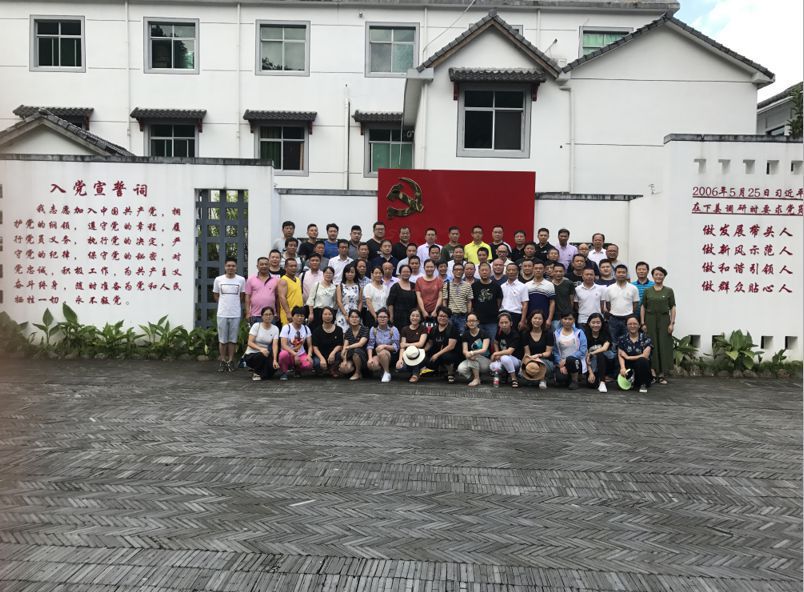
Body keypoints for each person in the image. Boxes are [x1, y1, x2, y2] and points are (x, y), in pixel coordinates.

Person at [641, 266, 676, 385]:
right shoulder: (647, 291)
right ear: (652, 276)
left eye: (661, 274)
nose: (658, 276)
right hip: (650, 319)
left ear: (664, 276)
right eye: (656, 274)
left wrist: (672, 323)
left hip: (664, 320)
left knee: (663, 345)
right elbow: (643, 306)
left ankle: (661, 374)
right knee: (651, 345)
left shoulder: (669, 291)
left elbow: (673, 307)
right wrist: (642, 322)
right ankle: (652, 373)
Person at [213, 257, 245, 372]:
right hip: (222, 313)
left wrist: (233, 304)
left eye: (233, 266)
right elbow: (216, 295)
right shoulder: (218, 279)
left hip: (235, 313)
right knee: (222, 339)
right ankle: (222, 361)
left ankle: (231, 360)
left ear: (236, 267)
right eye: (228, 266)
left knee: (233, 339)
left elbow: (242, 295)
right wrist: (224, 304)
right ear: (225, 267)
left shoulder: (241, 280)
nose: (231, 268)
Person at [604, 264, 640, 348]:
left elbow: (635, 303)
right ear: (615, 274)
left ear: (626, 274)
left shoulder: (633, 288)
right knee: (614, 341)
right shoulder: (609, 288)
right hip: (613, 319)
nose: (621, 274)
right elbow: (608, 304)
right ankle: (615, 355)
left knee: (628, 341)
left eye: (623, 272)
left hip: (628, 319)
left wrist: (629, 314)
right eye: (619, 272)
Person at [423, 306, 462, 382]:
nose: (442, 318)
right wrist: (422, 351)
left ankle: (451, 372)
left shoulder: (452, 329)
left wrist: (437, 355)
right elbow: (430, 343)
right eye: (440, 316)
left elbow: (451, 346)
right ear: (437, 316)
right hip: (438, 353)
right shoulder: (434, 329)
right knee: (427, 360)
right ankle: (440, 369)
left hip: (452, 354)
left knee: (446, 356)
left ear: (448, 318)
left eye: (445, 316)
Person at [618, 316, 653, 393]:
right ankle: (631, 380)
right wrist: (622, 368)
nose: (632, 326)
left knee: (642, 360)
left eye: (635, 324)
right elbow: (620, 354)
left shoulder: (646, 338)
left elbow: (645, 355)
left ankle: (643, 384)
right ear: (626, 326)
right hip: (628, 367)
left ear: (639, 325)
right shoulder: (622, 339)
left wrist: (628, 357)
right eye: (630, 324)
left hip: (642, 367)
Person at [521, 309, 554, 390]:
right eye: (535, 318)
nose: (537, 321)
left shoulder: (548, 333)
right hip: (531, 359)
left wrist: (538, 355)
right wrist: (527, 361)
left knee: (540, 364)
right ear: (531, 319)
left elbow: (548, 352)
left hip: (545, 360)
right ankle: (534, 378)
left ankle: (542, 380)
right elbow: (527, 353)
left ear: (543, 321)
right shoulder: (525, 333)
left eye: (540, 319)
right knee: (523, 373)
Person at [553, 312, 588, 390]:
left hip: (576, 362)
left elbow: (582, 350)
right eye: (565, 319)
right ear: (561, 320)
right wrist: (560, 364)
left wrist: (567, 360)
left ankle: (575, 380)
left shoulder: (579, 332)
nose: (567, 321)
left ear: (574, 320)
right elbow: (555, 351)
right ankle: (569, 378)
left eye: (570, 319)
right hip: (562, 363)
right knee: (560, 379)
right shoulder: (556, 333)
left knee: (571, 359)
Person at [244, 306, 280, 380]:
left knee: (273, 368)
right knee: (261, 355)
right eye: (266, 314)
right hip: (252, 354)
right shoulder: (256, 326)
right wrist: (260, 349)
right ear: (262, 316)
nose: (268, 316)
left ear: (273, 316)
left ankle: (262, 372)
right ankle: (256, 372)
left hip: (265, 354)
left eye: (270, 314)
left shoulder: (275, 328)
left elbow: (275, 345)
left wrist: (275, 360)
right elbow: (249, 342)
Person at [278, 306, 313, 379]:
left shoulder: (306, 328)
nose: (300, 318)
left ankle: (298, 369)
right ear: (292, 316)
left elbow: (310, 345)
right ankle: (284, 372)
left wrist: (309, 355)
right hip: (288, 353)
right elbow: (283, 345)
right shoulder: (286, 327)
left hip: (301, 353)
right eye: (297, 315)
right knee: (283, 355)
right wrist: (294, 354)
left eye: (302, 316)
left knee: (309, 364)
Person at [457, 312, 491, 387]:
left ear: (477, 322)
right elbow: (464, 350)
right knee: (461, 369)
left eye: (473, 321)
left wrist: (472, 353)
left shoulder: (484, 333)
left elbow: (484, 349)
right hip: (471, 358)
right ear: (466, 323)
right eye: (469, 321)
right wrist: (467, 354)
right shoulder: (465, 334)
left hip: (484, 360)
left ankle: (476, 379)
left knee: (473, 357)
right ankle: (476, 377)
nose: (471, 323)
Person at [583, 312, 615, 392]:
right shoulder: (585, 335)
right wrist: (590, 373)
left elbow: (604, 348)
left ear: (602, 323)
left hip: (606, 362)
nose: (596, 325)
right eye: (593, 322)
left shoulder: (605, 333)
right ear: (589, 323)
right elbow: (586, 355)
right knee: (592, 384)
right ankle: (598, 377)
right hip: (592, 364)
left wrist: (592, 353)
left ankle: (602, 382)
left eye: (598, 322)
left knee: (600, 354)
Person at [489, 312, 522, 388]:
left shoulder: (515, 334)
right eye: (501, 323)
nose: (504, 325)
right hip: (502, 357)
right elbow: (495, 343)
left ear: (511, 323)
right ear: (498, 324)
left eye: (506, 322)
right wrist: (497, 352)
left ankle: (514, 379)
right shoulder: (499, 332)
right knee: (492, 366)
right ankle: (504, 375)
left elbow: (509, 351)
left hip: (516, 362)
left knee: (505, 358)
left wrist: (496, 354)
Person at [366, 308, 400, 382]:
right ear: (377, 318)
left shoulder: (393, 329)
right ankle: (383, 371)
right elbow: (370, 345)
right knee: (371, 364)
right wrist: (370, 358)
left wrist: (384, 346)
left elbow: (396, 347)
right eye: (380, 317)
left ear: (388, 318)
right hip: (378, 353)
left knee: (382, 352)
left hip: (391, 354)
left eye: (385, 317)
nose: (382, 319)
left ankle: (387, 373)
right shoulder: (373, 329)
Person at [395, 309, 428, 382]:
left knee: (415, 357)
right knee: (400, 367)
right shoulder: (404, 329)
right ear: (409, 317)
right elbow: (402, 346)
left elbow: (420, 344)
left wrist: (407, 344)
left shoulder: (423, 328)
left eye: (417, 316)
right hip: (407, 354)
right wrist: (400, 359)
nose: (414, 318)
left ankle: (415, 374)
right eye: (413, 315)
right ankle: (416, 371)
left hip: (420, 354)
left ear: (420, 318)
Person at [472, 262, 503, 338]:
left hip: (492, 321)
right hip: (477, 321)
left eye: (486, 270)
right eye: (482, 270)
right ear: (479, 272)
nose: (484, 272)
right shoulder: (474, 286)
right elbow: (472, 302)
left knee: (492, 341)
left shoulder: (496, 286)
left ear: (490, 271)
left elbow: (498, 303)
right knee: (478, 342)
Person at [244, 256, 278, 325]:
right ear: (257, 266)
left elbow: (277, 298)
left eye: (266, 264)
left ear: (269, 265)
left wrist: (278, 313)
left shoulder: (276, 280)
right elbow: (247, 297)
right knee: (256, 332)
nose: (264, 266)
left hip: (271, 315)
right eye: (261, 264)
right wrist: (248, 313)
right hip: (255, 315)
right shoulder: (251, 279)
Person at [441, 262, 473, 333]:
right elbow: (444, 301)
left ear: (463, 271)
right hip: (450, 316)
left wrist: (468, 315)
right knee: (449, 335)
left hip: (462, 317)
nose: (458, 271)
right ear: (453, 271)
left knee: (462, 335)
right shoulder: (447, 285)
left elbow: (469, 301)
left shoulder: (467, 285)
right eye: (456, 269)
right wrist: (446, 314)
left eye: (461, 270)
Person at [311, 306, 343, 377]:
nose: (327, 316)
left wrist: (333, 353)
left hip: (334, 356)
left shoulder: (339, 329)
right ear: (321, 316)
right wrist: (321, 358)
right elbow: (315, 347)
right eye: (325, 314)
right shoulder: (317, 330)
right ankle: (322, 370)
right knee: (316, 362)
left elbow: (340, 345)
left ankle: (333, 369)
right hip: (321, 355)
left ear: (333, 315)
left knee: (340, 355)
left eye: (329, 314)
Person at [339, 309, 369, 380]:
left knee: (356, 351)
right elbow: (345, 347)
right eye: (352, 317)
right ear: (349, 319)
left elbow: (361, 344)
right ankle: (354, 370)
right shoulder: (348, 331)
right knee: (344, 368)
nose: (354, 319)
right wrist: (344, 360)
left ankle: (358, 373)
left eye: (356, 317)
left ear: (360, 319)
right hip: (351, 355)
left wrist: (348, 347)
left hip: (363, 355)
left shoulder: (365, 329)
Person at [524, 260, 555, 327]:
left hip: (544, 317)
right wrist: (524, 318)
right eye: (536, 268)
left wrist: (549, 319)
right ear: (533, 269)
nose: (538, 270)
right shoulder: (526, 285)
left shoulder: (550, 285)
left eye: (540, 268)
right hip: (529, 317)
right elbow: (525, 303)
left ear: (544, 270)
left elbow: (552, 303)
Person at [305, 265, 336, 330]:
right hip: (317, 312)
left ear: (333, 275)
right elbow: (311, 299)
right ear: (323, 274)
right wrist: (311, 313)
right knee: (316, 330)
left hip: (329, 313)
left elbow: (335, 301)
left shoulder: (334, 287)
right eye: (326, 273)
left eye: (330, 273)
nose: (328, 275)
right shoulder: (317, 285)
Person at [500, 262, 528, 330]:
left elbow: (525, 304)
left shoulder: (523, 286)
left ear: (517, 272)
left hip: (516, 315)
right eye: (509, 270)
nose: (511, 272)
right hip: (502, 314)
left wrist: (522, 320)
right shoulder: (502, 286)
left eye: (513, 270)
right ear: (506, 272)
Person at [415, 259, 444, 324]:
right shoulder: (419, 280)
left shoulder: (439, 281)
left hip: (436, 312)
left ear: (435, 268)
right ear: (424, 268)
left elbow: (440, 297)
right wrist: (423, 311)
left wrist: (435, 310)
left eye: (431, 267)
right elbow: (419, 297)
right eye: (427, 267)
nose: (429, 269)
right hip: (422, 311)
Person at [276, 258, 303, 327]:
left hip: (299, 313)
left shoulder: (298, 279)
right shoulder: (283, 280)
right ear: (285, 268)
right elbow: (282, 297)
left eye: (295, 266)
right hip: (289, 314)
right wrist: (288, 313)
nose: (294, 268)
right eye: (291, 266)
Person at [335, 264, 362, 331]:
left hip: (355, 313)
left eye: (352, 272)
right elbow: (339, 301)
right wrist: (346, 315)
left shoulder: (359, 287)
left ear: (355, 273)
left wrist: (357, 314)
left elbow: (360, 301)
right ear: (344, 273)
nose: (350, 274)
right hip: (343, 313)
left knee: (355, 332)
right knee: (342, 332)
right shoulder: (340, 286)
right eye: (348, 272)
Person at [551, 263, 576, 332]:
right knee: (556, 335)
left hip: (567, 316)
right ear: (552, 272)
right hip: (554, 317)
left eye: (560, 271)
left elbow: (571, 301)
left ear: (564, 272)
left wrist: (570, 313)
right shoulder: (549, 284)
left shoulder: (569, 283)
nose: (558, 273)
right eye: (556, 271)